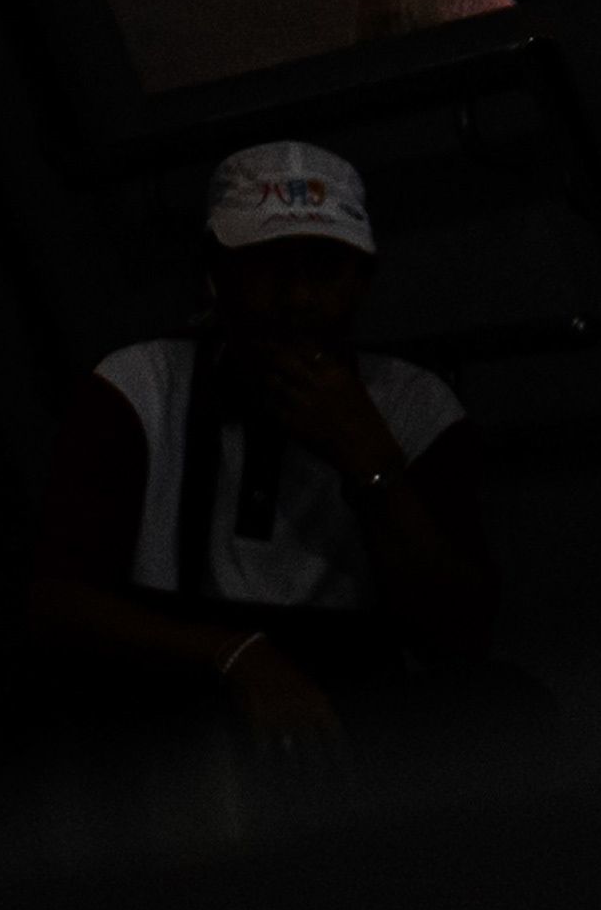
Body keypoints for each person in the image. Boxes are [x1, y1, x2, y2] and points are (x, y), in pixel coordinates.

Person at [26, 135, 497, 745]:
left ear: (362, 281)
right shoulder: (142, 386)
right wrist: (233, 654)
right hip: (174, 703)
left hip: (359, 703)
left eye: (324, 268)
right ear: (215, 276)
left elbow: (459, 634)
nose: (298, 298)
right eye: (269, 267)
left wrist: (372, 464)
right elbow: (56, 601)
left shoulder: (414, 405)